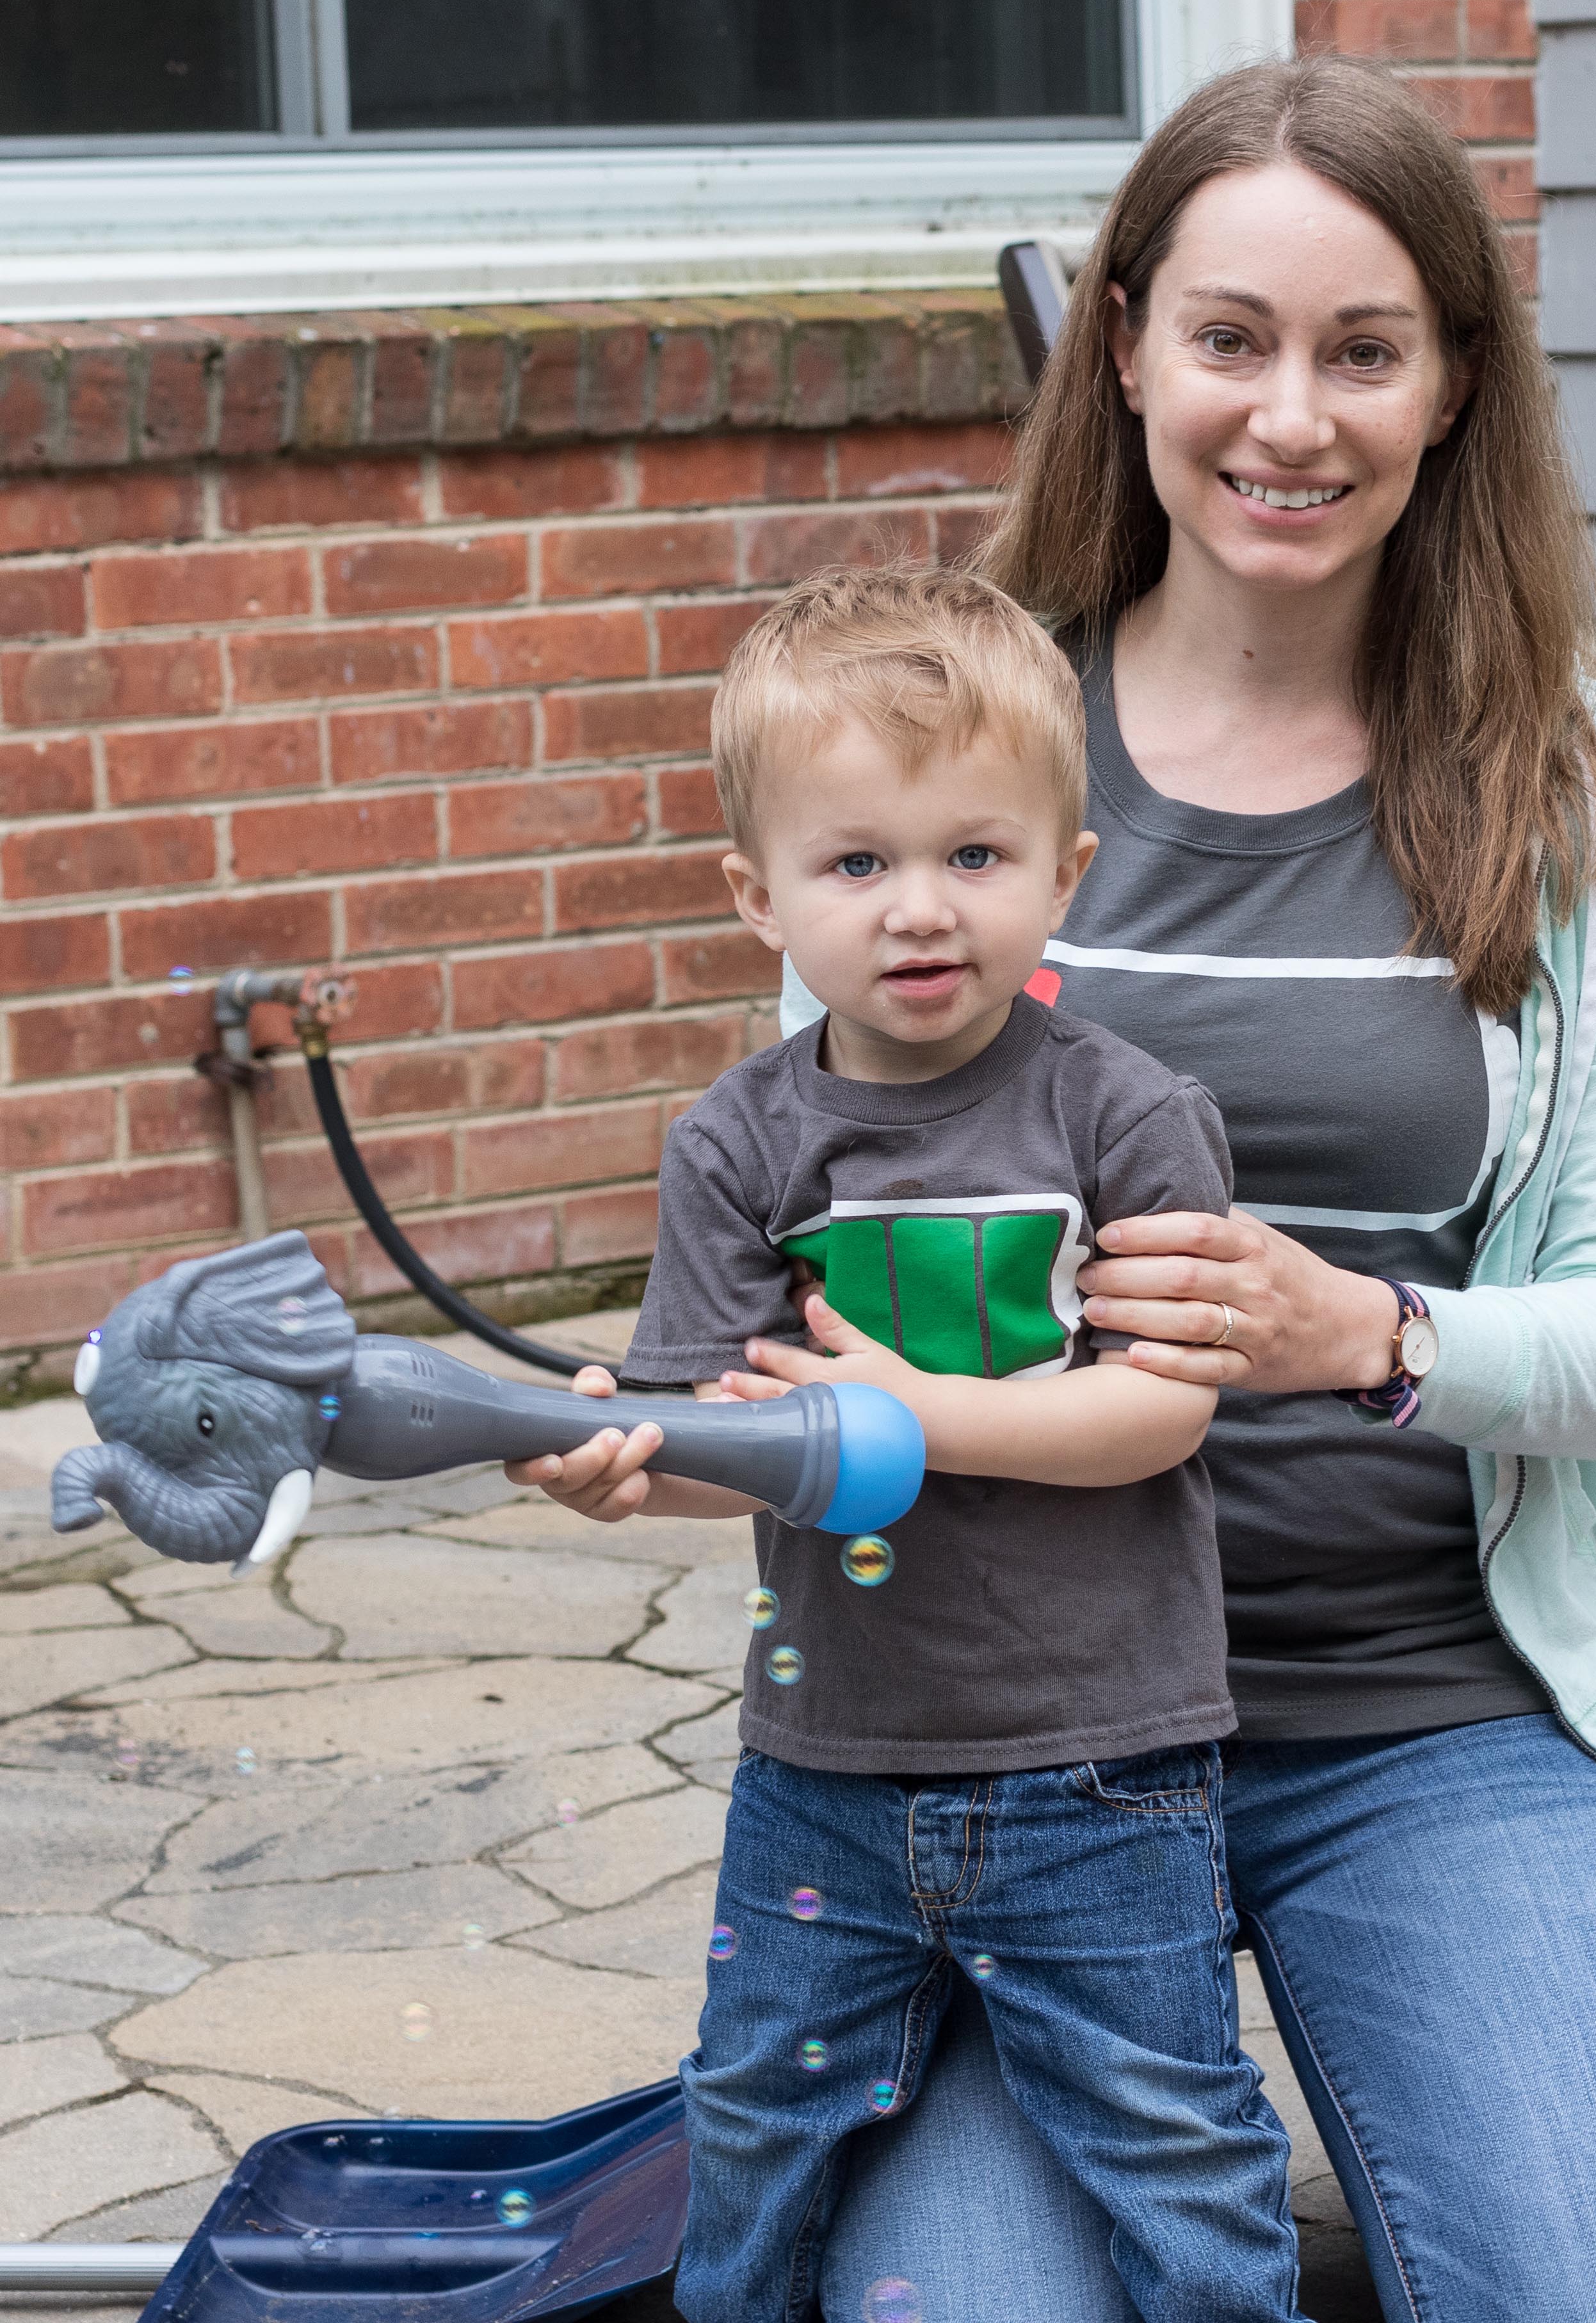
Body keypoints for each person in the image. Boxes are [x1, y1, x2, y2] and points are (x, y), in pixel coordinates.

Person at [805, 58, 1596, 2323]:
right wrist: (692, 1415)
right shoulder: (961, 735)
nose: (1293, 416)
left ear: (1455, 388)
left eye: (1368, 351)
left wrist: (1361, 1332)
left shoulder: (1582, 777)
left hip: (1427, 1717)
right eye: (1235, 338)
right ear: (1129, 343)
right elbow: (808, 1236)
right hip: (1013, 1751)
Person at [510, 565, 1314, 2322]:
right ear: (759, 895)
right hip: (829, 1760)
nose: (919, 910)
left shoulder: (1126, 1117)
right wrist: (619, 1458)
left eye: (975, 853)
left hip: (1105, 1760)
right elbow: (721, 1428)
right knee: (752, 2116)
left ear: (1066, 875)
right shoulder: (738, 1144)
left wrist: (912, 1414)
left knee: (1172, 2134)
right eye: (856, 862)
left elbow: (1159, 1413)